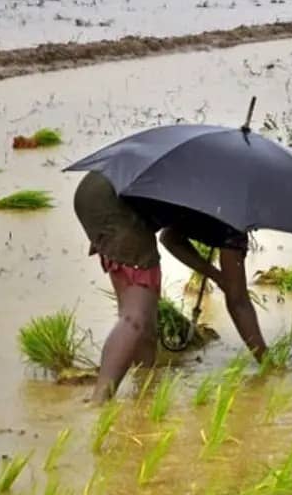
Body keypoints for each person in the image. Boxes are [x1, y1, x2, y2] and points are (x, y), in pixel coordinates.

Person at [132, 200, 268, 362]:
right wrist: (218, 277)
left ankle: (144, 365)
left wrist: (216, 276)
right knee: (238, 299)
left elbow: (168, 237)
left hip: (209, 212)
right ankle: (265, 361)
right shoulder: (234, 225)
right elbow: (239, 301)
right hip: (227, 221)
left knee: (236, 296)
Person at [73, 171, 161, 403]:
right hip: (113, 205)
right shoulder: (215, 192)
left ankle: (145, 387)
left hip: (94, 191)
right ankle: (99, 400)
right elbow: (171, 238)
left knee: (143, 316)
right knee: (135, 318)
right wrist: (216, 275)